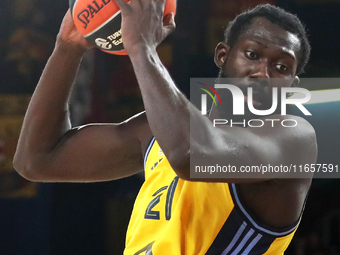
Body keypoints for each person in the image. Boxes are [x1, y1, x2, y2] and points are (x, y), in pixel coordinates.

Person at [13, 1, 317, 254]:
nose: (263, 74)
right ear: (223, 56)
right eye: (252, 54)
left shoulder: (295, 140)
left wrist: (141, 46)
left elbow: (189, 155)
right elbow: (37, 160)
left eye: (282, 68)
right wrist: (67, 48)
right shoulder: (159, 130)